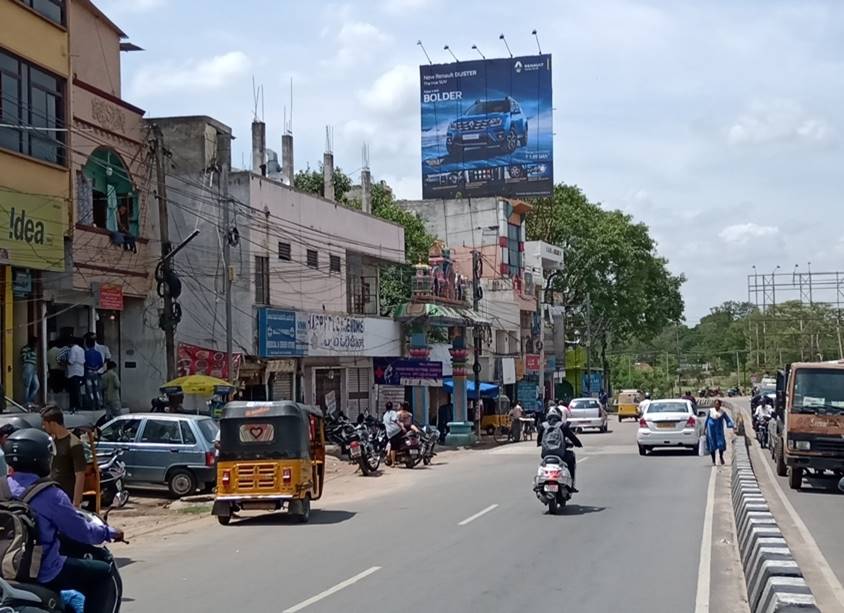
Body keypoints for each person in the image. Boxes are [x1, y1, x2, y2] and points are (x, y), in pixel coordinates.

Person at [4, 428, 123, 611]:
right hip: (43, 572)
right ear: (42, 458)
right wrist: (109, 533)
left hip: (5, 571)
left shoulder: (2, 487)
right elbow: (82, 531)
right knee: (103, 574)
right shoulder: (51, 494)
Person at [41, 405, 87, 507]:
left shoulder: (74, 444)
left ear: (52, 424)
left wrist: (75, 504)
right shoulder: (53, 441)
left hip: (66, 499)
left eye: (45, 424)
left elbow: (80, 475)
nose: (43, 427)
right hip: (53, 495)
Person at [537, 407, 583, 492]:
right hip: (561, 454)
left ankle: (540, 483)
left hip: (545, 454)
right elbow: (572, 437)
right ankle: (571, 484)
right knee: (571, 458)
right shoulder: (562, 426)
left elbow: (539, 440)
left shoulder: (543, 426)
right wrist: (578, 444)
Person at [705, 399, 735, 465]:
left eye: (718, 404)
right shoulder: (711, 411)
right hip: (711, 430)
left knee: (720, 444)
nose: (717, 405)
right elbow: (707, 420)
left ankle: (721, 456)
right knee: (712, 445)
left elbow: (728, 420)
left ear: (720, 405)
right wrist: (705, 428)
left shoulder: (722, 412)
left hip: (719, 430)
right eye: (716, 404)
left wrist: (733, 426)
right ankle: (713, 461)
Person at [83, 336, 103, 411]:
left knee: (90, 390)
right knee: (97, 390)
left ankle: (92, 405)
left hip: (88, 373)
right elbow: (101, 364)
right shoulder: (98, 354)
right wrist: (96, 369)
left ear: (87, 345)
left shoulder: (85, 353)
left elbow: (83, 363)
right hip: (96, 373)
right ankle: (99, 405)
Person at [65, 339, 85, 413]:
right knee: (77, 390)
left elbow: (71, 360)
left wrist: (65, 362)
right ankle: (78, 405)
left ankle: (73, 406)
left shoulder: (73, 349)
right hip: (80, 371)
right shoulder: (81, 349)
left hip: (74, 372)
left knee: (73, 391)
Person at [20, 336, 40, 406]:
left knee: (36, 385)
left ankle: (29, 401)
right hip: (28, 366)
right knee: (27, 385)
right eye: (36, 342)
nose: (37, 344)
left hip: (33, 367)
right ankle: (26, 402)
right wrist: (31, 352)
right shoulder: (25, 348)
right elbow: (23, 358)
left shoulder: (34, 349)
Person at [383, 402, 401, 466]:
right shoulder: (393, 412)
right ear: (392, 407)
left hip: (389, 433)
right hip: (396, 431)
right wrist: (402, 426)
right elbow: (395, 420)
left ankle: (391, 458)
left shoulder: (385, 415)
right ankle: (393, 462)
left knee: (392, 445)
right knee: (394, 447)